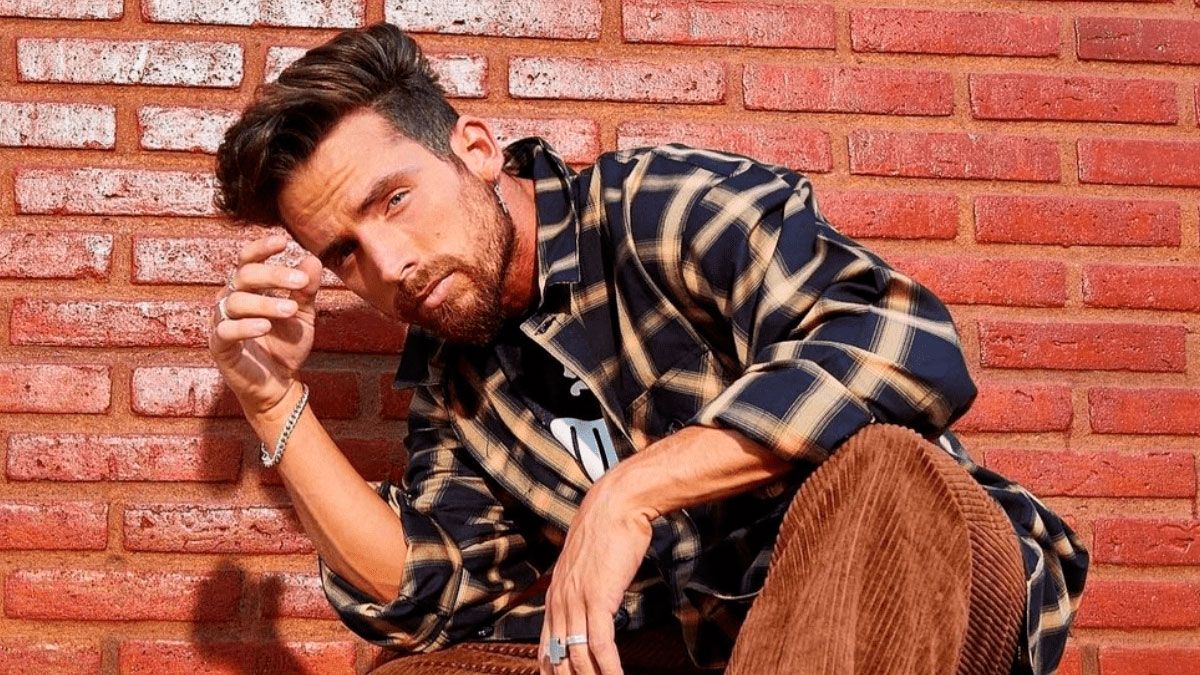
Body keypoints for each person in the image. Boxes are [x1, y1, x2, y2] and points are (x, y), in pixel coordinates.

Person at [209, 23, 1087, 675]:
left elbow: (900, 341)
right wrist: (271, 396)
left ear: (474, 149)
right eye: (344, 253)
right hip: (715, 646)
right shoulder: (456, 388)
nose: (388, 264)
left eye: (393, 200)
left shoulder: (656, 208)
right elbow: (425, 590)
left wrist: (628, 493)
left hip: (921, 580)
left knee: (881, 468)